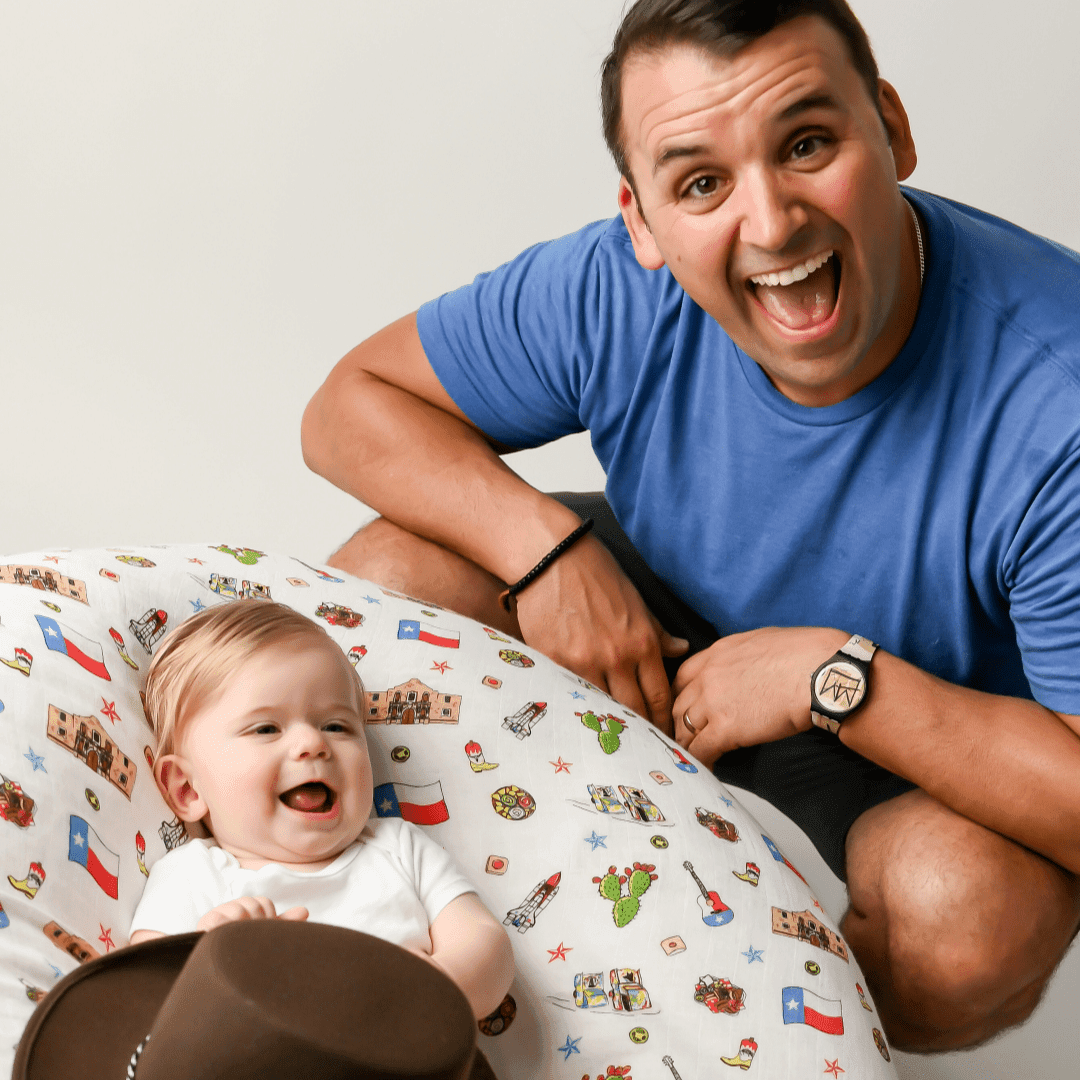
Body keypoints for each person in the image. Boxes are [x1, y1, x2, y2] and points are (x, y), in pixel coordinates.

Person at [300, 0, 1080, 1054]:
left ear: (891, 128)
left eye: (807, 145)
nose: (770, 223)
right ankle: (474, 980)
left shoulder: (1058, 398)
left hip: (930, 740)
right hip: (662, 637)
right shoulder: (610, 284)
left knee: (968, 922)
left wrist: (830, 678)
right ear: (643, 219)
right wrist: (546, 550)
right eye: (701, 183)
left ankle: (769, 1051)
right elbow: (348, 406)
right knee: (385, 580)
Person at [128, 600, 515, 1029]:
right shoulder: (192, 875)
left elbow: (486, 944)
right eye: (267, 729)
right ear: (187, 789)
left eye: (337, 726)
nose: (313, 743)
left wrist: (440, 981)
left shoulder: (398, 848)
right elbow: (141, 999)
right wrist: (214, 956)